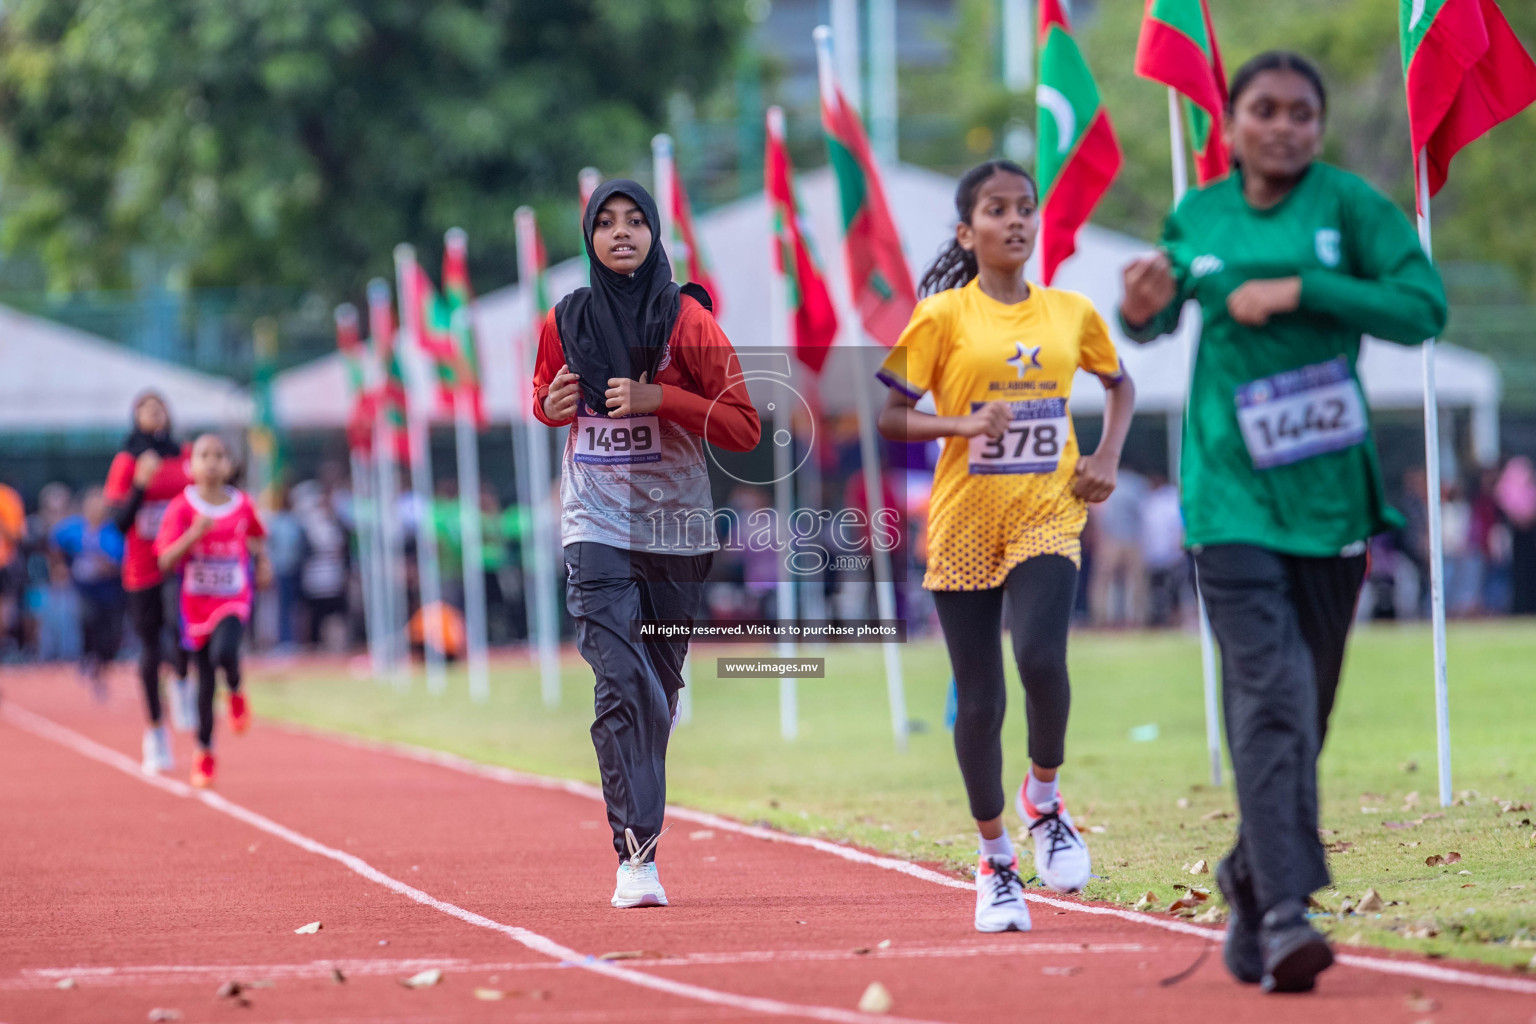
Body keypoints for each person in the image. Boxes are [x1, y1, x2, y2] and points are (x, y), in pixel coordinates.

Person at [1117, 52, 1447, 993]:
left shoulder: (1350, 209)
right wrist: (1139, 307)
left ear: (1320, 126)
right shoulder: (1203, 215)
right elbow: (1151, 306)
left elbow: (1424, 308)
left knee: (1309, 711)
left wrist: (1304, 291)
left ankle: (1247, 873)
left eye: (1304, 112)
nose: (1286, 126)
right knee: (1269, 696)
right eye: (1265, 109)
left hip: (1331, 503)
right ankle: (1286, 909)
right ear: (1230, 125)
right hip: (1229, 499)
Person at [875, 160, 1136, 933]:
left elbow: (1120, 385)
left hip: (1048, 512)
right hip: (961, 521)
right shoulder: (943, 317)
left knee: (1043, 661)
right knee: (981, 700)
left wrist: (1108, 458)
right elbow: (891, 417)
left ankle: (1045, 801)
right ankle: (996, 861)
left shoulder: (1070, 312)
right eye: (998, 209)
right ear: (968, 231)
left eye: (1026, 208)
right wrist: (959, 425)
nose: (1016, 220)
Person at [531, 179, 760, 908]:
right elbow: (543, 394)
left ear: (655, 234)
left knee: (655, 691)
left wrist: (662, 398)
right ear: (589, 238)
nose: (620, 233)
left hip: (676, 533)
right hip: (594, 526)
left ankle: (643, 801)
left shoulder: (687, 321)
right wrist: (549, 405)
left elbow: (745, 427)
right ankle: (637, 855)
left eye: (635, 221)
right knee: (622, 684)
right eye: (606, 222)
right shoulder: (564, 319)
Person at [155, 434, 270, 788]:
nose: (212, 462)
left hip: (233, 598)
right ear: (192, 466)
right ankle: (204, 753)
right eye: (205, 455)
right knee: (204, 682)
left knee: (225, 652)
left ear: (230, 465)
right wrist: (193, 535)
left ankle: (236, 689)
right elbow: (164, 560)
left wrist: (262, 562)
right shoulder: (182, 507)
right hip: (196, 604)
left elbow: (256, 536)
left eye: (220, 455)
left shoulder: (242, 504)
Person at [104, 392, 195, 773]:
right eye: (147, 408)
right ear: (136, 417)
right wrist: (141, 484)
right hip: (142, 567)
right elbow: (119, 522)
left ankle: (180, 683)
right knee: (149, 645)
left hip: (180, 562)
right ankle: (155, 733)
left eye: (160, 407)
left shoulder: (186, 455)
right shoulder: (127, 461)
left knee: (181, 630)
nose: (155, 413)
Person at [52, 487, 126, 691]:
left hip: (109, 589)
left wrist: (105, 565)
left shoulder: (114, 531)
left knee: (111, 630)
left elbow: (121, 561)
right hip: (84, 588)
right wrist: (60, 566)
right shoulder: (73, 528)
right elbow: (54, 541)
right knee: (88, 618)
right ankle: (89, 658)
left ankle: (104, 660)